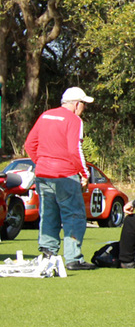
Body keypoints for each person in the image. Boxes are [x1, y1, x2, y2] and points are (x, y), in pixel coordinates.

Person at [23, 87, 95, 271]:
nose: (83, 108)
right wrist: (84, 173)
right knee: (74, 215)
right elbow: (74, 150)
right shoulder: (74, 120)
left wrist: (41, 162)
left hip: (42, 174)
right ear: (77, 104)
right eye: (83, 105)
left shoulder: (45, 115)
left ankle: (48, 252)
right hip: (65, 175)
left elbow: (29, 144)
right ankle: (73, 258)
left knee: (48, 213)